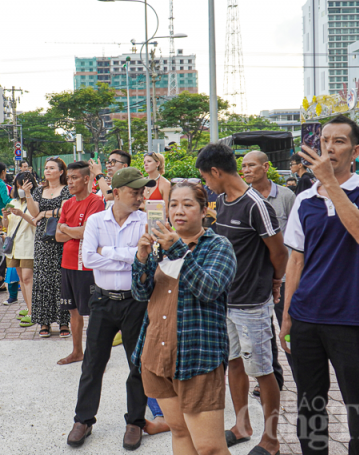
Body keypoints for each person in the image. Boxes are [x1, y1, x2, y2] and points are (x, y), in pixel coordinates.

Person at [280, 115, 359, 455]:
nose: (329, 146)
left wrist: (331, 184)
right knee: (309, 404)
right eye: (325, 140)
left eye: (339, 141)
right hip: (305, 318)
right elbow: (295, 260)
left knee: (358, 403)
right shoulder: (304, 200)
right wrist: (286, 317)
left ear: (356, 150)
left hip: (350, 318)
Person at [131, 182, 237, 455]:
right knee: (179, 432)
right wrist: (142, 258)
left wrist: (178, 248)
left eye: (188, 205)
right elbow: (141, 294)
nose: (179, 211)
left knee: (210, 447)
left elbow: (209, 289)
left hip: (197, 357)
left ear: (204, 211)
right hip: (156, 355)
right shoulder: (160, 245)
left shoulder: (218, 246)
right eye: (174, 205)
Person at [198, 143, 287, 455]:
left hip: (252, 303)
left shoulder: (255, 204)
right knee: (233, 364)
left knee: (263, 371)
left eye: (205, 178)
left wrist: (275, 282)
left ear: (216, 172)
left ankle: (272, 439)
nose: (206, 185)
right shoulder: (221, 201)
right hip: (226, 301)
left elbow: (279, 252)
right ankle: (242, 426)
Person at [67, 167, 154, 450]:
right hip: (103, 301)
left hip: (136, 301)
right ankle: (83, 419)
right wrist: (131, 256)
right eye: (134, 191)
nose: (140, 196)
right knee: (93, 363)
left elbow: (149, 259)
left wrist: (109, 252)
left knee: (137, 364)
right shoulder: (96, 221)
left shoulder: (146, 221)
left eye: (142, 191)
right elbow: (90, 259)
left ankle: (135, 422)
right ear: (116, 193)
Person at [242, 151, 296, 394]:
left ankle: (303, 379)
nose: (246, 170)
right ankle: (272, 381)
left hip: (285, 277)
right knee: (263, 333)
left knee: (290, 329)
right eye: (243, 166)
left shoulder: (286, 196)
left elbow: (298, 236)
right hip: (257, 278)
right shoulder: (243, 198)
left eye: (251, 165)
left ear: (266, 167)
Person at [56, 161, 105, 365]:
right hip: (67, 264)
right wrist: (72, 231)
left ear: (86, 179)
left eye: (74, 178)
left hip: (86, 265)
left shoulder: (96, 201)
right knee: (73, 311)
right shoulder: (67, 203)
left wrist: (68, 229)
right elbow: (58, 236)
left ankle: (95, 355)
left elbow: (87, 232)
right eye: (68, 178)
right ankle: (77, 351)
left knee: (93, 312)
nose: (70, 182)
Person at [27, 157, 71, 338]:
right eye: (46, 168)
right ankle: (44, 322)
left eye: (52, 168)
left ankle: (63, 322)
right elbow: (34, 213)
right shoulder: (38, 191)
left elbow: (66, 210)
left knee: (61, 279)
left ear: (61, 172)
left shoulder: (67, 190)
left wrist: (45, 213)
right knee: (43, 278)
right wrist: (28, 194)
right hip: (43, 240)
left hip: (61, 237)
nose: (47, 171)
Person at [7, 173, 37, 323]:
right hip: (14, 247)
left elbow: (36, 222)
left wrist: (21, 214)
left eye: (22, 185)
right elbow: (7, 226)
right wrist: (5, 216)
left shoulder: (34, 201)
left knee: (27, 278)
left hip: (28, 244)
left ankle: (33, 312)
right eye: (18, 186)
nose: (19, 188)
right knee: (21, 279)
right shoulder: (13, 201)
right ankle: (29, 307)